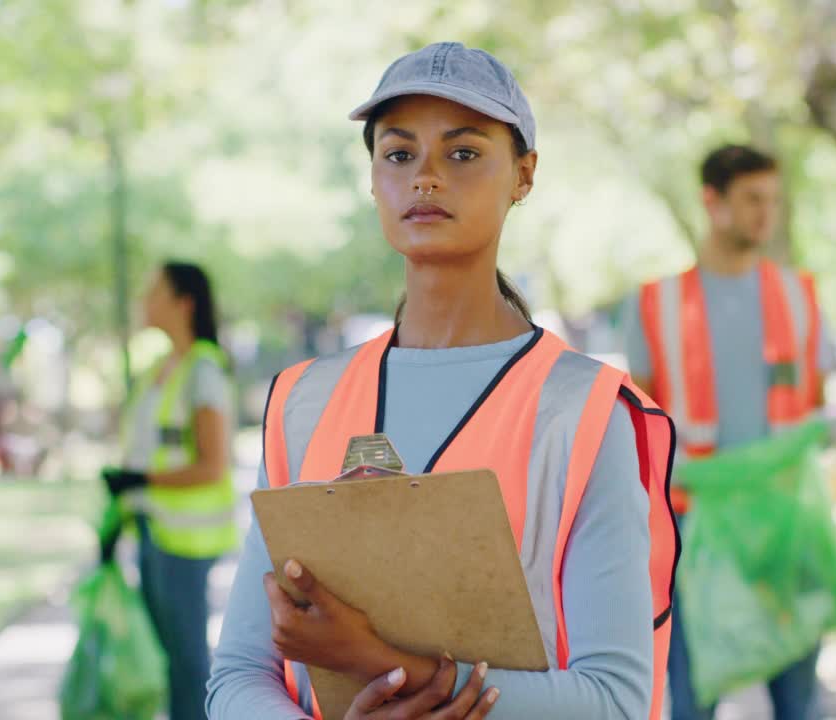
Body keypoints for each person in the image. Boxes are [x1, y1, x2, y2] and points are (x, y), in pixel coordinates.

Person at [207, 42, 679, 720]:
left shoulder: (585, 413)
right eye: (399, 154)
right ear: (372, 180)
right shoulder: (301, 403)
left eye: (462, 153)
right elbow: (237, 676)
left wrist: (375, 662)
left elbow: (615, 703)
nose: (425, 176)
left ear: (523, 174)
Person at [621, 145, 835, 720]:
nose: (767, 213)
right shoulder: (654, 304)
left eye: (773, 200)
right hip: (696, 527)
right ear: (712, 203)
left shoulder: (800, 295)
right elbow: (638, 426)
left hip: (783, 520)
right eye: (753, 200)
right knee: (693, 698)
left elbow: (814, 402)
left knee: (798, 700)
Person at [101, 261, 240, 720]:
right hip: (152, 530)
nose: (144, 299)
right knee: (172, 660)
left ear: (184, 303)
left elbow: (212, 464)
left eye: (153, 291)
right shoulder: (161, 370)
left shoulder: (203, 370)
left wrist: (142, 480)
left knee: (188, 662)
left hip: (185, 539)